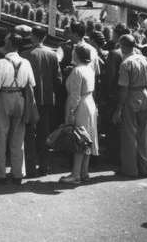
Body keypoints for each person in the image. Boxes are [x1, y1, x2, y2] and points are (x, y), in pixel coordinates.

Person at [0, 32, 36, 184]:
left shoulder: (1, 63)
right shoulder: (26, 62)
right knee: (18, 138)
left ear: (11, 44)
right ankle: (18, 173)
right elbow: (31, 84)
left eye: (6, 41)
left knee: (0, 135)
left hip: (4, 97)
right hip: (20, 98)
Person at [20, 26, 61, 177]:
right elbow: (58, 79)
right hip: (48, 99)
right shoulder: (52, 54)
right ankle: (44, 166)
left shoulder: (25, 54)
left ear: (33, 36)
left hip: (31, 99)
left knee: (29, 133)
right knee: (44, 133)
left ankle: (30, 167)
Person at [113, 34, 147, 177]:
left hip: (131, 95)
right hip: (145, 95)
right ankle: (145, 167)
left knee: (129, 135)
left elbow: (123, 89)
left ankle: (130, 169)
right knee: (143, 135)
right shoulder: (145, 59)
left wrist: (119, 108)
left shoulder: (126, 63)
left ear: (123, 46)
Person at [59, 45, 100, 184]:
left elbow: (75, 95)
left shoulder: (77, 71)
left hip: (81, 105)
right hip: (90, 102)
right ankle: (84, 172)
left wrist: (71, 112)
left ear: (77, 55)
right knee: (87, 139)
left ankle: (75, 174)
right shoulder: (89, 69)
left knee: (79, 139)